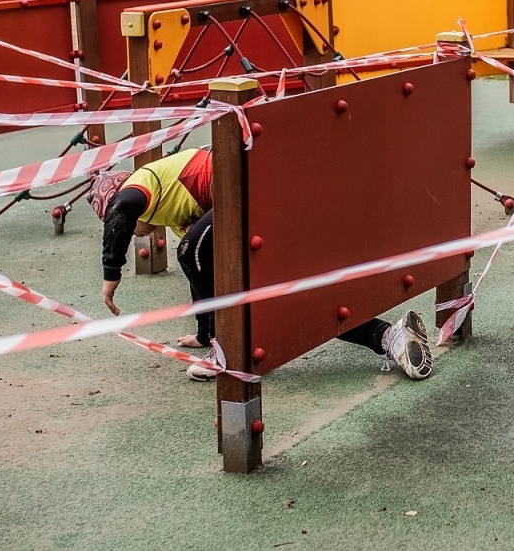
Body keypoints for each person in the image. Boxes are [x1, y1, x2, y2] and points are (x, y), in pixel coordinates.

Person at [90, 148, 433, 382]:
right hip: (262, 190)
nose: (130, 232)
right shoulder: (177, 210)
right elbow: (206, 275)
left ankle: (226, 351)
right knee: (286, 295)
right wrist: (203, 332)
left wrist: (111, 273)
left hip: (249, 185)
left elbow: (124, 209)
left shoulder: (141, 185)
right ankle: (390, 336)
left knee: (188, 251)